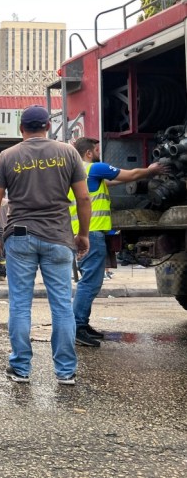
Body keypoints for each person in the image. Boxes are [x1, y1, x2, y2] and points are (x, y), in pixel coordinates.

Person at [0, 105, 91, 386]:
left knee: (20, 305)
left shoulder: (7, 156)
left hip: (19, 235)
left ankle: (21, 368)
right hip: (58, 236)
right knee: (61, 306)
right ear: (47, 126)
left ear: (21, 129)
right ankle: (66, 371)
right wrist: (83, 234)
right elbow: (83, 198)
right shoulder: (68, 152)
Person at [69, 137, 168, 347]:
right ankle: (77, 327)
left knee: (90, 281)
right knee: (90, 282)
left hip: (85, 232)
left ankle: (81, 324)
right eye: (96, 149)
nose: (99, 152)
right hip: (91, 233)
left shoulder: (78, 172)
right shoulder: (94, 168)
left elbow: (117, 180)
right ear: (88, 153)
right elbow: (129, 174)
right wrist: (151, 170)